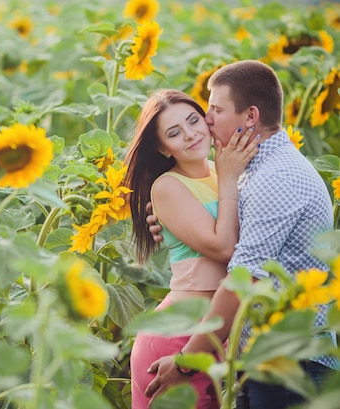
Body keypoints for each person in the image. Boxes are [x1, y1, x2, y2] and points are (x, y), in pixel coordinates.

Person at [143, 60, 338, 409]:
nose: (207, 120)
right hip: (256, 356)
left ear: (250, 117)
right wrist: (166, 221)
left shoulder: (274, 178)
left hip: (290, 362)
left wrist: (186, 363)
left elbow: (242, 276)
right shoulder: (253, 169)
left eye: (215, 109)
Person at [122, 88, 258, 409]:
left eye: (193, 120)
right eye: (174, 132)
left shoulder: (219, 170)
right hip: (177, 339)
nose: (190, 134)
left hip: (219, 336)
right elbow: (224, 248)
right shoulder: (168, 186)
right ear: (162, 147)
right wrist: (228, 179)